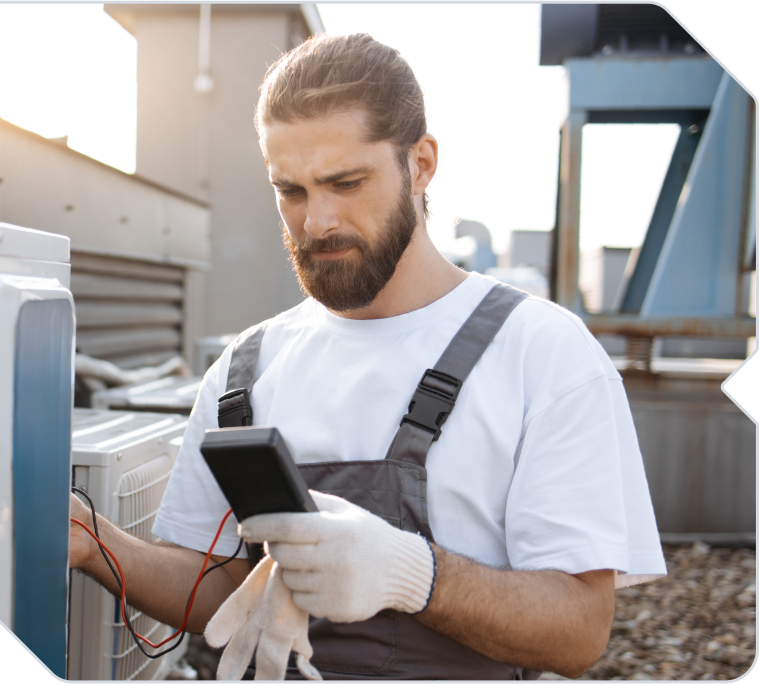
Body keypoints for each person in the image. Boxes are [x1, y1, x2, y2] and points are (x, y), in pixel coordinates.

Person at [70, 33, 667, 680]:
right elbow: (217, 590)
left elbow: (578, 629)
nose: (317, 220)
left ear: (423, 163)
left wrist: (414, 575)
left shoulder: (541, 354)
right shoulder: (247, 370)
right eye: (290, 190)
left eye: (345, 182)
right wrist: (95, 543)